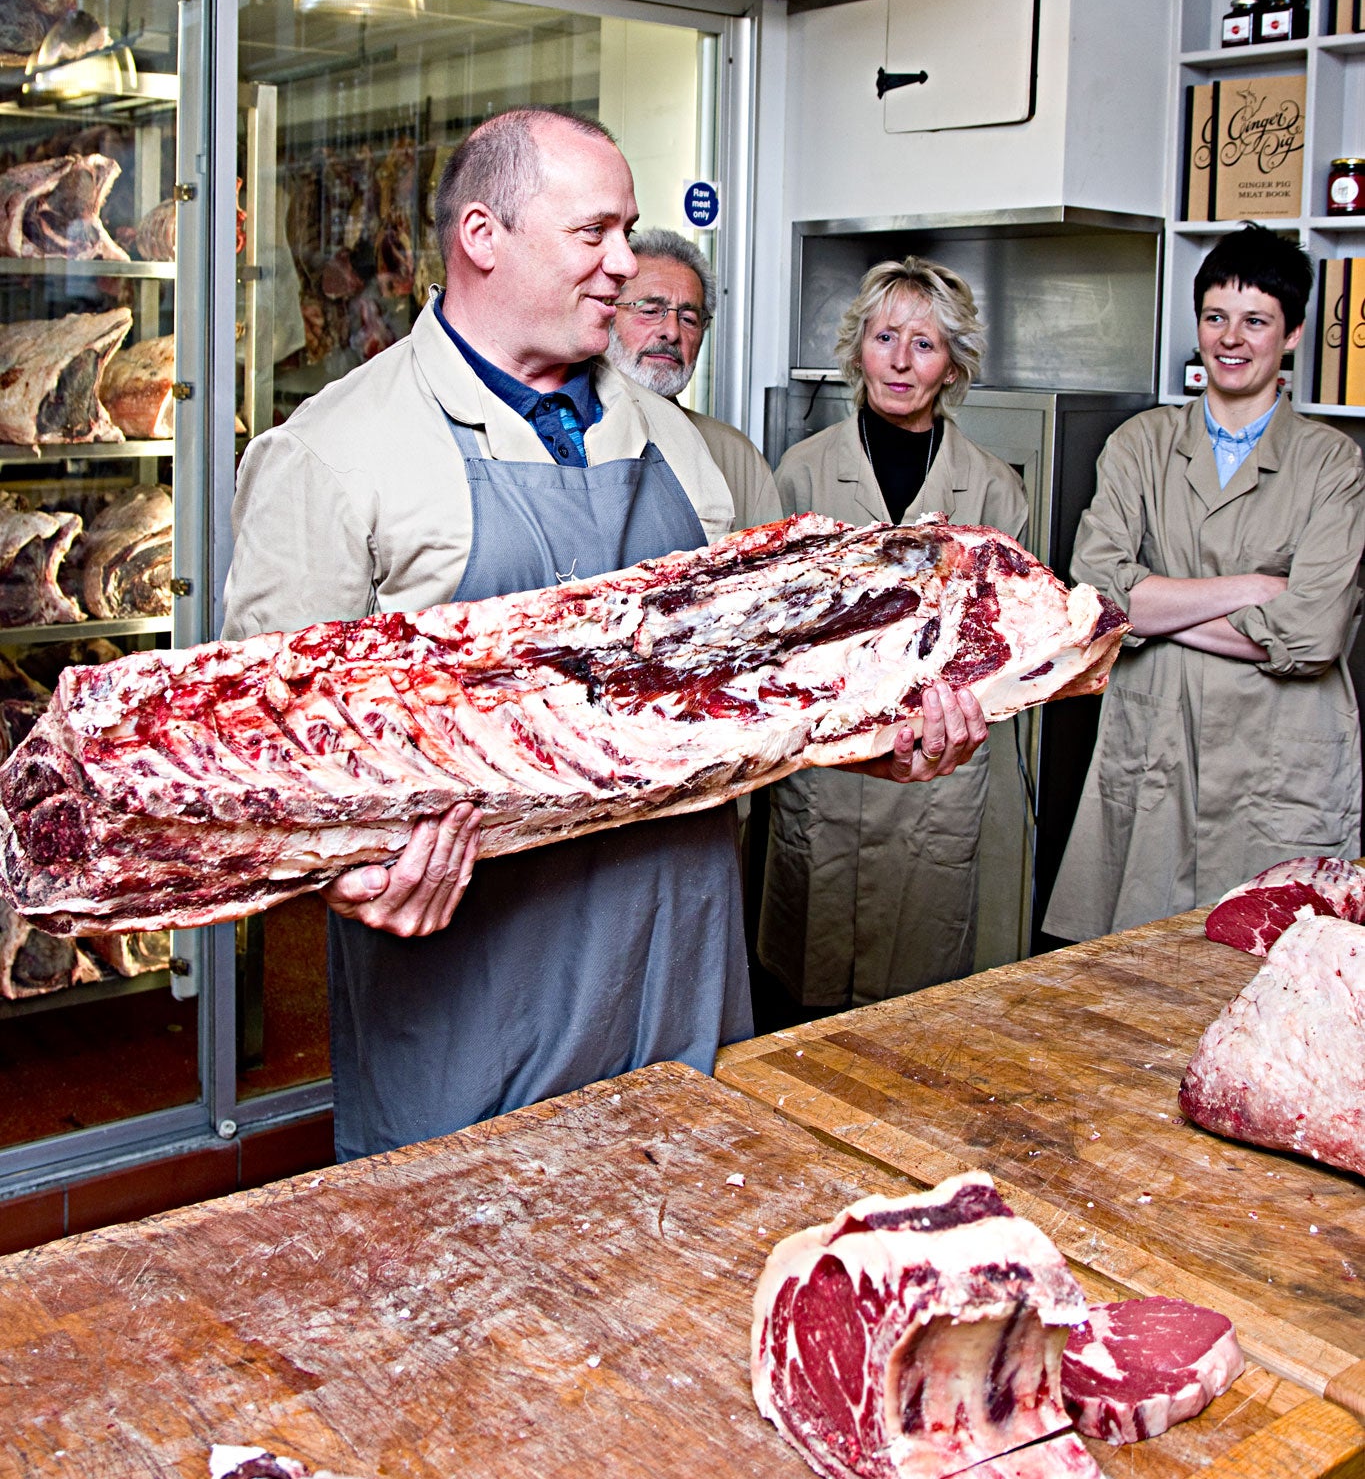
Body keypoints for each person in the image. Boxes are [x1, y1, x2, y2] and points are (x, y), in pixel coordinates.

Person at [223, 109, 986, 1159]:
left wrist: (878, 738)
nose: (625, 264)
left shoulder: (678, 446)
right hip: (471, 993)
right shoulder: (336, 452)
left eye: (627, 230)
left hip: (679, 967)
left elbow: (755, 695)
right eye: (596, 234)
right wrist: (342, 872)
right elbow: (266, 754)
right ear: (484, 235)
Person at [1044, 223, 1365, 944]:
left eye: (1255, 321)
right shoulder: (1139, 445)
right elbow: (1093, 596)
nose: (1230, 338)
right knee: (1130, 975)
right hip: (1156, 739)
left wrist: (1152, 608)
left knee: (1268, 981)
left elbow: (1312, 634)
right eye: (1215, 317)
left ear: (1290, 335)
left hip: (1277, 756)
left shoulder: (1331, 464)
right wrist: (1254, 586)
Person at [759, 255, 1028, 1011]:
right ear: (857, 350)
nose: (900, 361)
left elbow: (1000, 642)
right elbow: (778, 631)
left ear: (951, 366)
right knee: (800, 1000)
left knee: (915, 999)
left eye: (924, 343)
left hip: (936, 755)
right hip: (829, 760)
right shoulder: (802, 472)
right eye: (884, 338)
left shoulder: (992, 488)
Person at [606, 225, 780, 530]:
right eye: (650, 310)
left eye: (688, 319)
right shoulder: (564, 438)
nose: (671, 332)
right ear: (605, 313)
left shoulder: (737, 459)